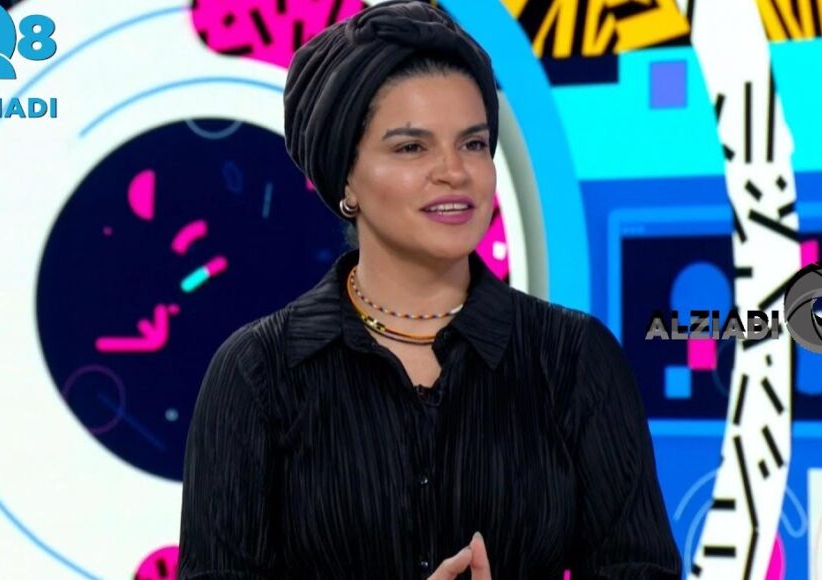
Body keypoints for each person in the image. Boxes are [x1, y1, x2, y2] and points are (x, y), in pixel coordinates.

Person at [178, 1, 681, 578]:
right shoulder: (258, 372)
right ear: (346, 177)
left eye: (473, 144)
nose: (455, 172)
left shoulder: (572, 358)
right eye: (411, 147)